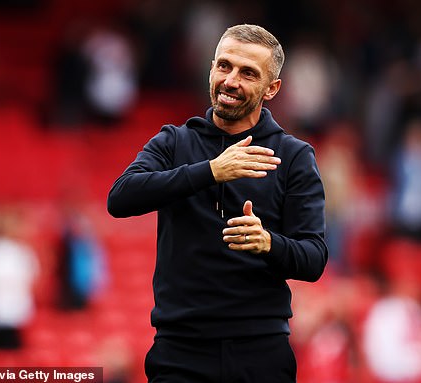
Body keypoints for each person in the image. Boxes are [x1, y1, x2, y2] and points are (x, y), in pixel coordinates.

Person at [107, 24, 328, 383]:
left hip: (261, 353)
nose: (230, 80)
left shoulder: (294, 156)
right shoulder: (173, 142)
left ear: (271, 89)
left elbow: (314, 258)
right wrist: (211, 171)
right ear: (211, 68)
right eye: (224, 66)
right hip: (179, 351)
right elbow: (120, 198)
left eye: (248, 73)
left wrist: (268, 243)